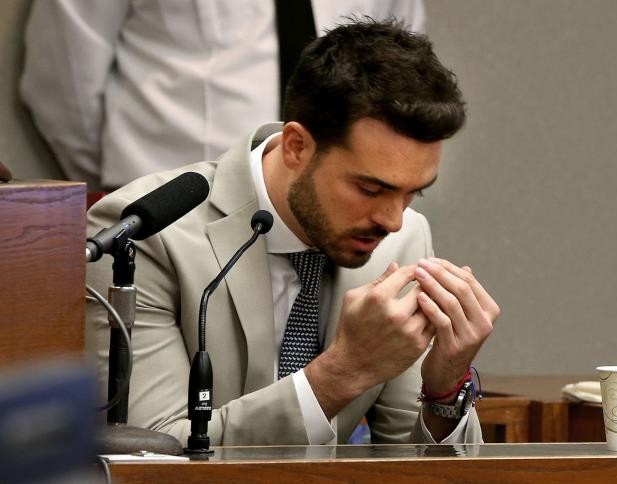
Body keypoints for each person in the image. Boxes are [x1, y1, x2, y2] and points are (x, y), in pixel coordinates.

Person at [85, 19, 499, 445]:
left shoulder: (405, 238)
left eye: (414, 193)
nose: (392, 221)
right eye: (371, 190)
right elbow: (155, 451)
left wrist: (444, 392)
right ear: (297, 147)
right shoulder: (145, 233)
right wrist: (344, 371)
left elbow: (409, 460)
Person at [20, 0, 425, 191]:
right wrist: (132, 189)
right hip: (174, 209)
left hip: (336, 213)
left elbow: (401, 72)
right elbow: (61, 76)